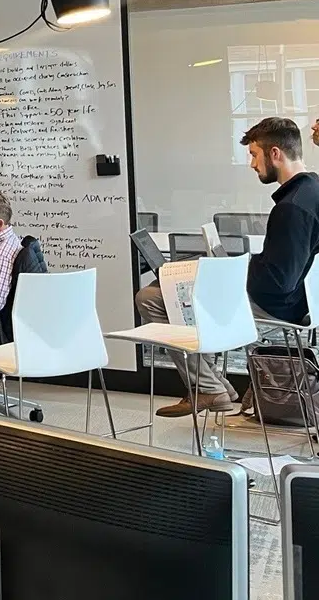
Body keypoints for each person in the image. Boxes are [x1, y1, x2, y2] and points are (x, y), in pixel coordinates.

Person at [134, 116, 319, 417]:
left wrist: (229, 272)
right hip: (295, 299)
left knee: (152, 298)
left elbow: (277, 283)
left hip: (279, 304)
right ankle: (216, 386)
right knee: (171, 286)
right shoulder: (311, 190)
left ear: (275, 154)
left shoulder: (292, 208)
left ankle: (209, 388)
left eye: (254, 155)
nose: (252, 164)